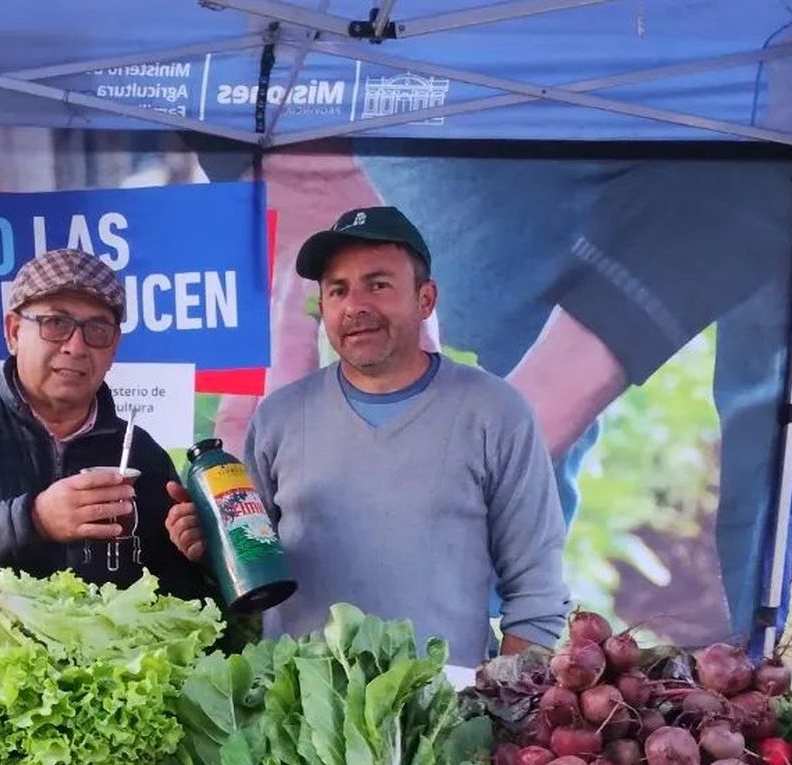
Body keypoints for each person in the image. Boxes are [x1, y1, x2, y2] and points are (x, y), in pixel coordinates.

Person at [185, 206, 568, 669]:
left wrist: (501, 705)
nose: (355, 306)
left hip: (443, 715)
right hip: (299, 715)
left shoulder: (496, 413)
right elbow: (252, 562)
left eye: (378, 285)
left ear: (425, 299)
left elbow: (536, 594)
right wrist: (205, 550)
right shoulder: (278, 417)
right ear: (323, 307)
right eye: (338, 290)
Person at [0, 247, 206, 599]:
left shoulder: (143, 453)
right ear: (14, 332)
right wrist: (32, 519)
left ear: (114, 349)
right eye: (56, 323)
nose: (76, 347)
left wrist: (197, 557)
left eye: (97, 329)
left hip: (108, 654)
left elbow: (179, 599)